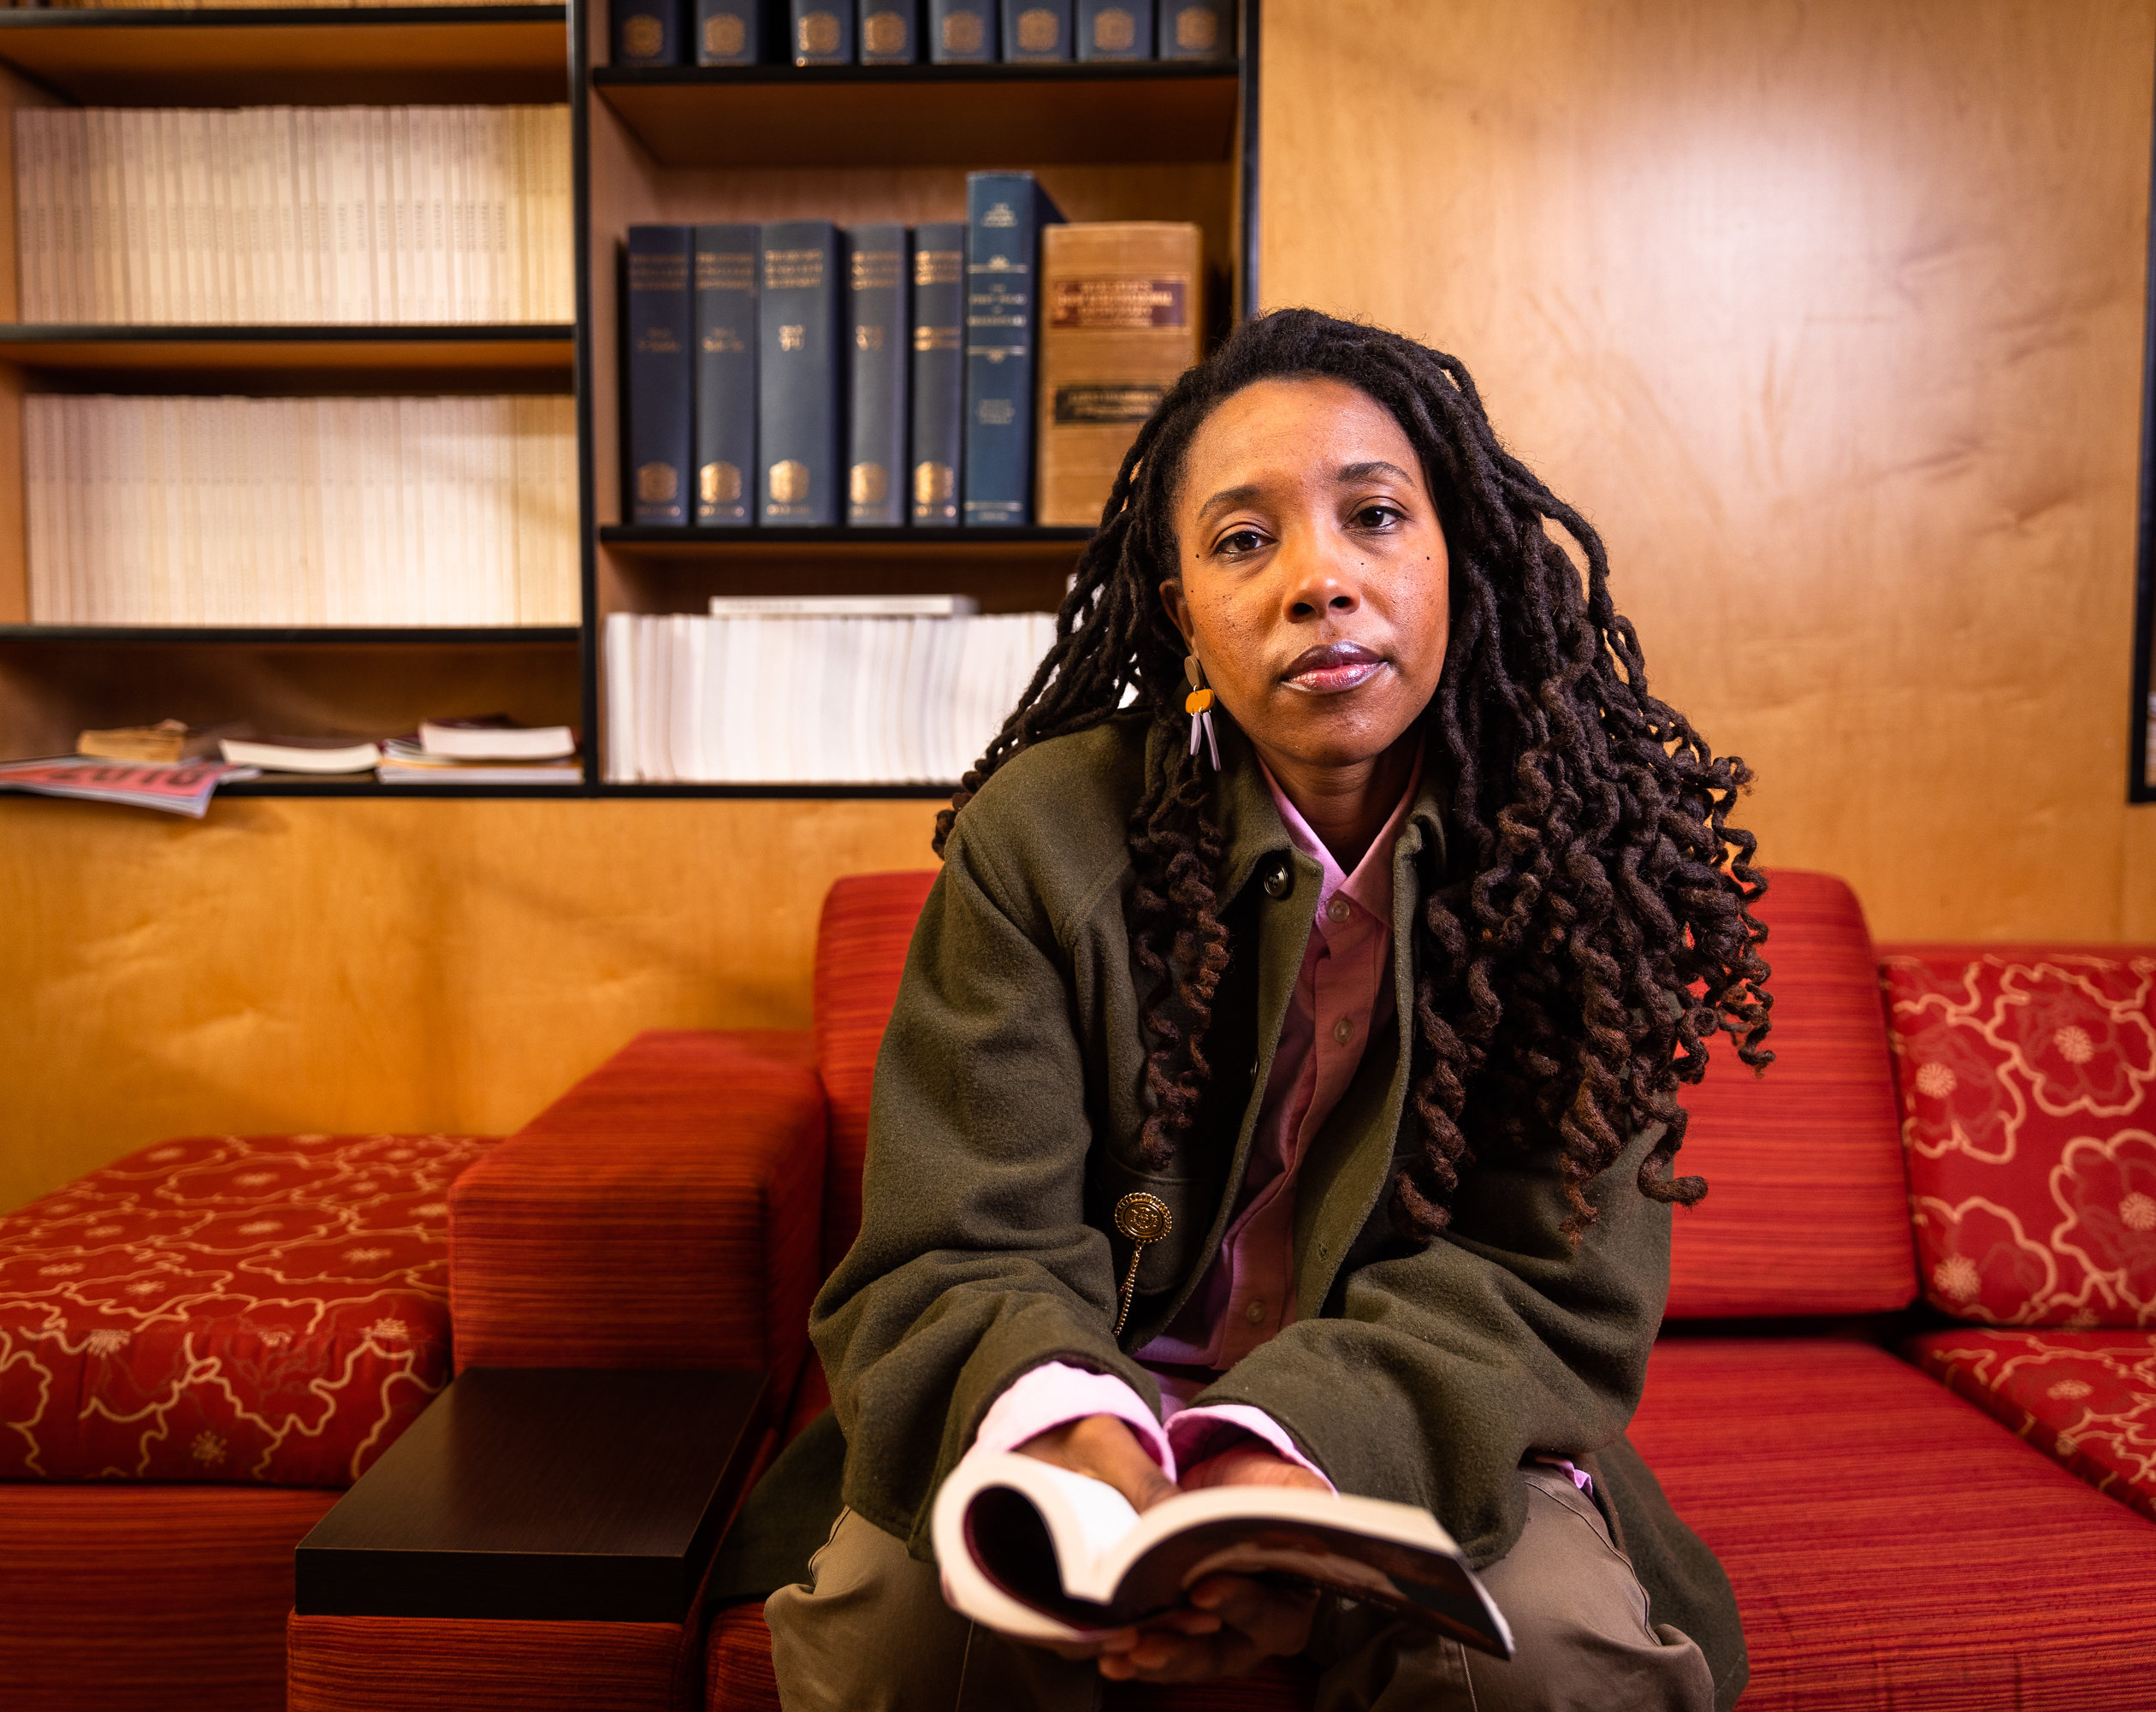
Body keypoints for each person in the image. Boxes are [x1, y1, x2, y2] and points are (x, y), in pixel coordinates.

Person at [724, 307, 1773, 1711]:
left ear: (1458, 556)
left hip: (1415, 1428)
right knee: (904, 1636)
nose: (1319, 581)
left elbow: (1549, 1289)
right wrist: (1088, 1449)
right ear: (1184, 617)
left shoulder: (1575, 864)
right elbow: (958, 1238)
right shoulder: (1040, 838)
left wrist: (1284, 1455)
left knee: (1545, 1660)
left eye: (1375, 516)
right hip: (1078, 1413)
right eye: (1242, 540)